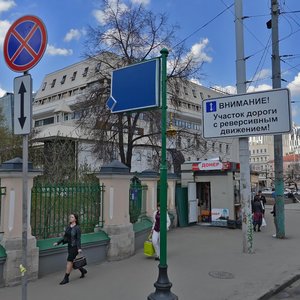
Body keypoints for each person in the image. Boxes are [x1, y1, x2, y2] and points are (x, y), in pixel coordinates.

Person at [53, 213, 87, 285]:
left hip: (75, 247)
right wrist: (58, 242)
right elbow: (65, 237)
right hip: (69, 246)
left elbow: (78, 239)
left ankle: (66, 278)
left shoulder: (77, 228)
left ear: (75, 219)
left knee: (69, 261)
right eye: (70, 217)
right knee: (74, 261)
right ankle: (82, 270)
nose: (70, 218)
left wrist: (79, 248)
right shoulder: (68, 227)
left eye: (72, 217)